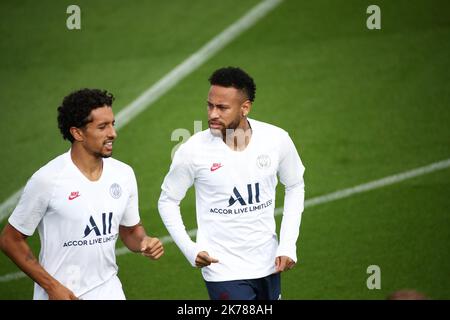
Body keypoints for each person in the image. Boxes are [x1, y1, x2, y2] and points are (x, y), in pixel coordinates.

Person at [0, 88, 164, 300]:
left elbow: (130, 231)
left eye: (112, 124)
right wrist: (52, 287)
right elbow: (10, 240)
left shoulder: (123, 174)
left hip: (110, 290)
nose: (113, 133)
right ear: (77, 133)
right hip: (62, 295)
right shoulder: (48, 180)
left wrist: (144, 242)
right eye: (102, 127)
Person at [158, 67, 305, 300]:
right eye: (210, 105)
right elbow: (168, 200)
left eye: (222, 107)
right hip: (222, 269)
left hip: (268, 263)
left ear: (245, 108)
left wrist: (288, 244)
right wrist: (190, 249)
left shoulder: (276, 140)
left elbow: (295, 185)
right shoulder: (192, 151)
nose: (213, 114)